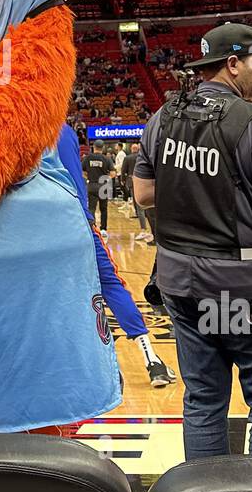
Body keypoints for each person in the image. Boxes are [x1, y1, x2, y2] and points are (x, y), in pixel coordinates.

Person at [133, 23, 252, 459]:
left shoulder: (163, 116)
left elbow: (144, 194)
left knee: (203, 399)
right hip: (241, 282)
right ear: (232, 64)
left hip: (177, 278)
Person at [59, 124, 175, 388]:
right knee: (112, 286)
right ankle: (152, 361)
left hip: (36, 230)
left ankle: (84, 366)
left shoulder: (10, 130)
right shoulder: (62, 130)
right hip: (77, 220)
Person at [83, 140, 111, 230]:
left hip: (92, 185)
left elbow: (82, 171)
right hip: (103, 186)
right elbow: (113, 173)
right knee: (103, 209)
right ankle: (103, 229)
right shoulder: (106, 158)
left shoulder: (87, 158)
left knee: (91, 208)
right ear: (102, 148)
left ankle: (92, 228)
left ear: (93, 147)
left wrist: (88, 177)